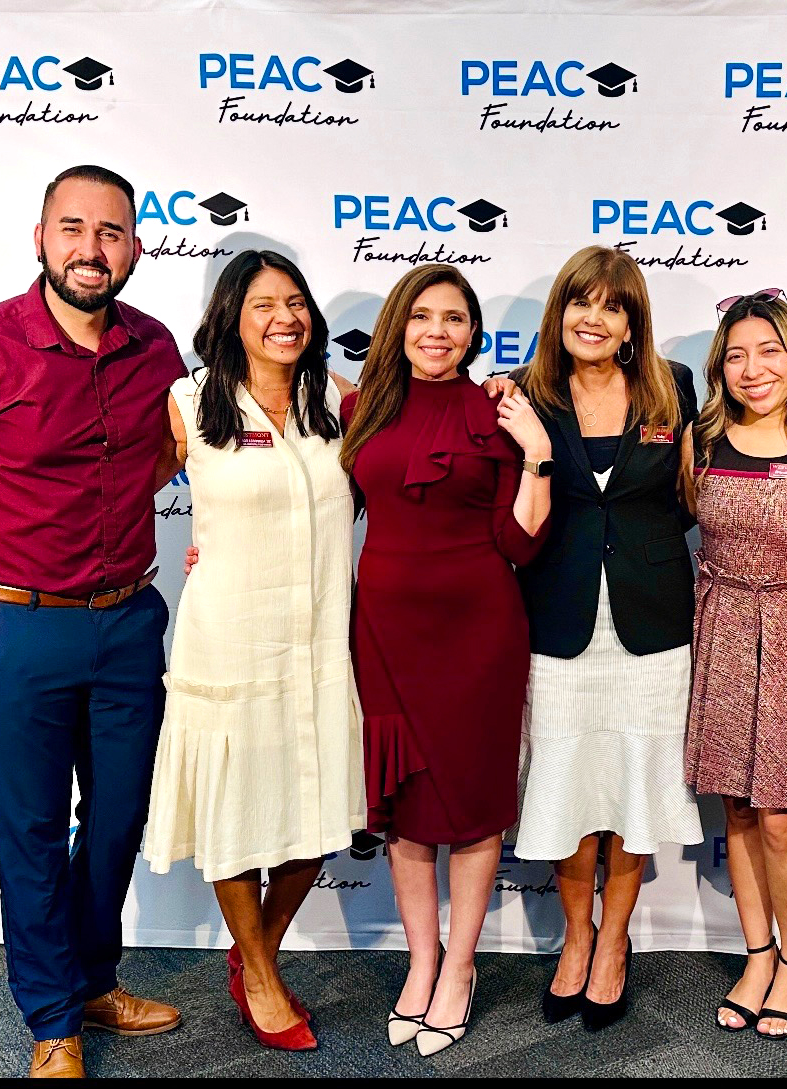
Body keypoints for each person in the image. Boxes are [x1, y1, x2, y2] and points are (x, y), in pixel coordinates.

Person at [0, 165, 184, 1078]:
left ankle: (94, 981)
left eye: (110, 233)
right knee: (28, 830)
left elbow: (156, 464)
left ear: (136, 247)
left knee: (115, 821)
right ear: (40, 238)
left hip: (128, 623)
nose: (90, 249)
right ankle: (52, 1020)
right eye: (73, 228)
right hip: (16, 634)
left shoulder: (156, 348)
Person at [141, 251, 364, 1051]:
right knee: (235, 813)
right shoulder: (188, 400)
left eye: (296, 301)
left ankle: (252, 950)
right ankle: (262, 977)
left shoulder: (339, 399)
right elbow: (114, 491)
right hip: (230, 639)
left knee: (316, 822)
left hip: (318, 642)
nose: (285, 316)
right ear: (231, 314)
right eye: (265, 302)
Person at [340, 263, 551, 1057]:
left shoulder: (497, 409)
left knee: (469, 802)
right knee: (403, 807)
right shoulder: (359, 408)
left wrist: (535, 452)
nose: (438, 331)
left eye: (454, 318)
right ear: (399, 324)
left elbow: (519, 542)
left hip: (478, 635)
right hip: (385, 631)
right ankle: (419, 960)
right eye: (423, 315)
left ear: (473, 332)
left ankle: (459, 967)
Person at [499, 245, 702, 1031]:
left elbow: (687, 495)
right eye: (581, 302)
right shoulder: (521, 397)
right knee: (568, 786)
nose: (594, 317)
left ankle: (613, 940)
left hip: (652, 625)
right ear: (561, 313)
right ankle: (573, 937)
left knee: (634, 787)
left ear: (630, 321)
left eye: (612, 305)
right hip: (556, 619)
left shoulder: (671, 388)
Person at [683, 290, 787, 1039]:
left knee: (786, 820)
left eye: (768, 350)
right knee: (738, 809)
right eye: (735, 354)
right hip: (720, 627)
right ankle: (755, 955)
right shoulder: (699, 438)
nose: (752, 369)